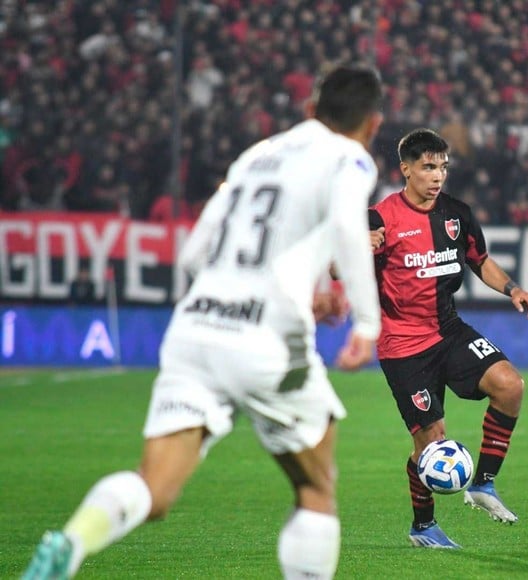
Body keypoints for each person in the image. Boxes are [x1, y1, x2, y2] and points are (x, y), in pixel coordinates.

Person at [22, 63, 385, 580]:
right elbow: (350, 228)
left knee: (153, 488)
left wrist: (283, 296)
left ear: (310, 109)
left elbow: (194, 254)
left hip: (194, 332)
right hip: (265, 342)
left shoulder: (256, 156)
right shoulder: (349, 156)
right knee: (315, 487)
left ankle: (73, 541)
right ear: (372, 124)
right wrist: (366, 324)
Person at [368, 128, 528, 549]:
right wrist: (359, 246)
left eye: (443, 167)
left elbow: (480, 261)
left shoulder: (457, 214)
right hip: (404, 346)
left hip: (448, 330)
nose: (437, 176)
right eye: (428, 167)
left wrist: (513, 288)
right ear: (405, 169)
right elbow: (339, 269)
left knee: (510, 385)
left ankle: (483, 484)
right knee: (431, 443)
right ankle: (423, 526)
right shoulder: (379, 218)